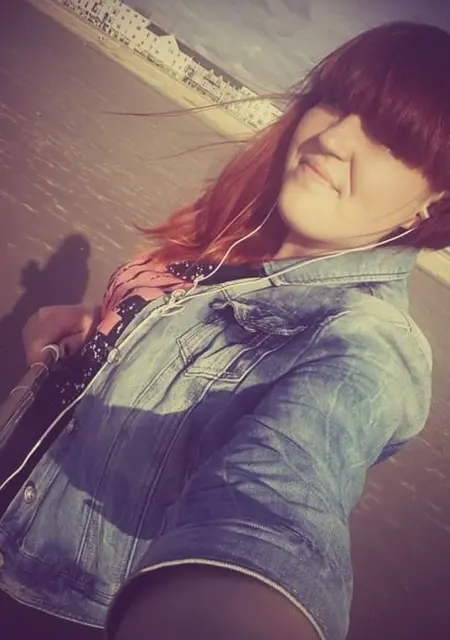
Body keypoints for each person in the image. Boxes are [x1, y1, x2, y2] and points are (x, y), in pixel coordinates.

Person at [1, 20, 450, 640]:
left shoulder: (365, 341)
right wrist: (106, 336)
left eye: (390, 138)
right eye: (335, 101)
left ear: (436, 198)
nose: (334, 137)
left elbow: (280, 498)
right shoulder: (246, 240)